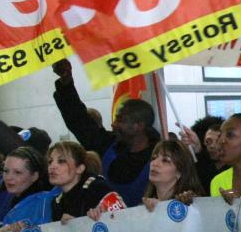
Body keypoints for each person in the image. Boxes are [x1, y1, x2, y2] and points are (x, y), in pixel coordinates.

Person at [51, 59, 158, 206]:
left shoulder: (161, 157)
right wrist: (66, 83)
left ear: (139, 126)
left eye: (120, 120)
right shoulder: (108, 145)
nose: (113, 124)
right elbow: (79, 120)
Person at [47, 142, 114, 223]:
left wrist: (100, 219)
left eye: (61, 161)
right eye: (50, 161)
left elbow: (124, 221)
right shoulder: (57, 203)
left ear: (80, 168)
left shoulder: (98, 188)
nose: (52, 166)